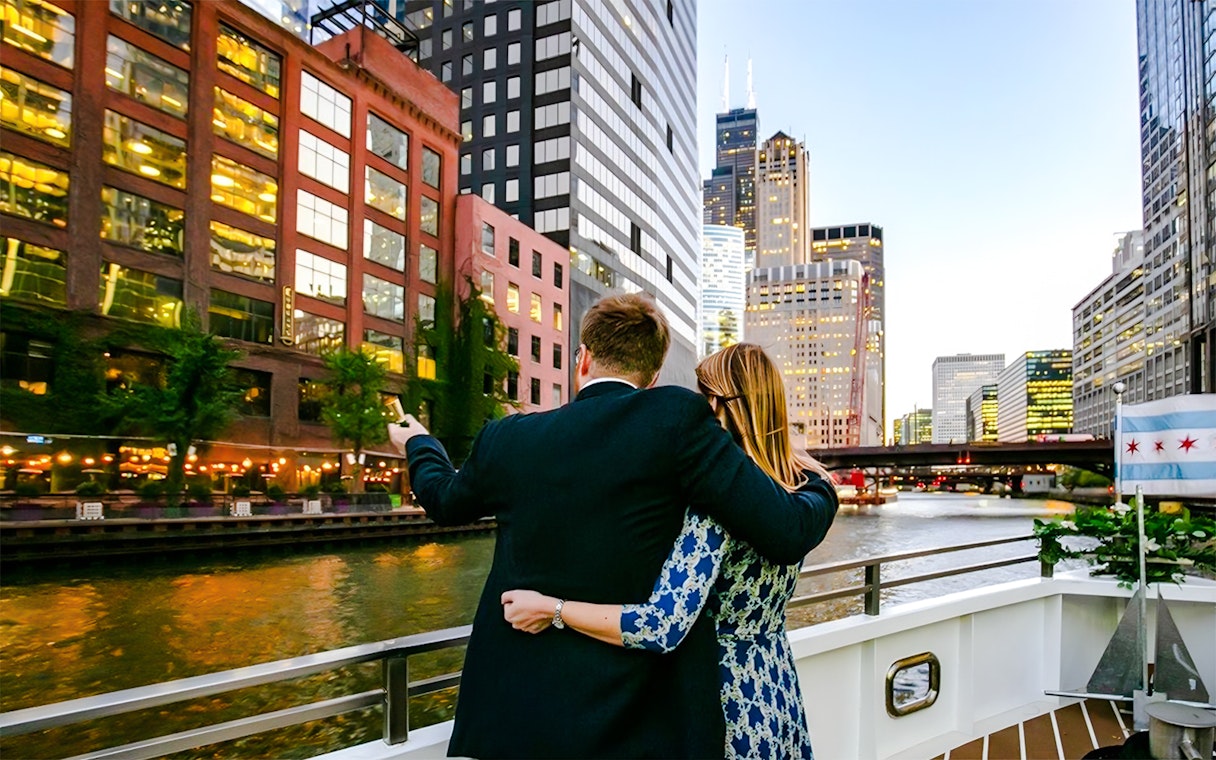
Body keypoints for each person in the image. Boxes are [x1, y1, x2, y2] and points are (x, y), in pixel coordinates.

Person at [390, 293, 837, 759]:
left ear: (582, 359)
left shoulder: (507, 436)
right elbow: (786, 528)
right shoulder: (679, 422)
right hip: (637, 717)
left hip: (518, 713)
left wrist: (419, 442)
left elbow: (443, 500)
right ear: (655, 375)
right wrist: (820, 482)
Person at [502, 343, 837, 759]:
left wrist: (551, 608)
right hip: (777, 687)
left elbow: (661, 624)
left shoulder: (717, 508)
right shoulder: (796, 488)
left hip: (724, 702)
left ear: (718, 405)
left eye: (701, 398)